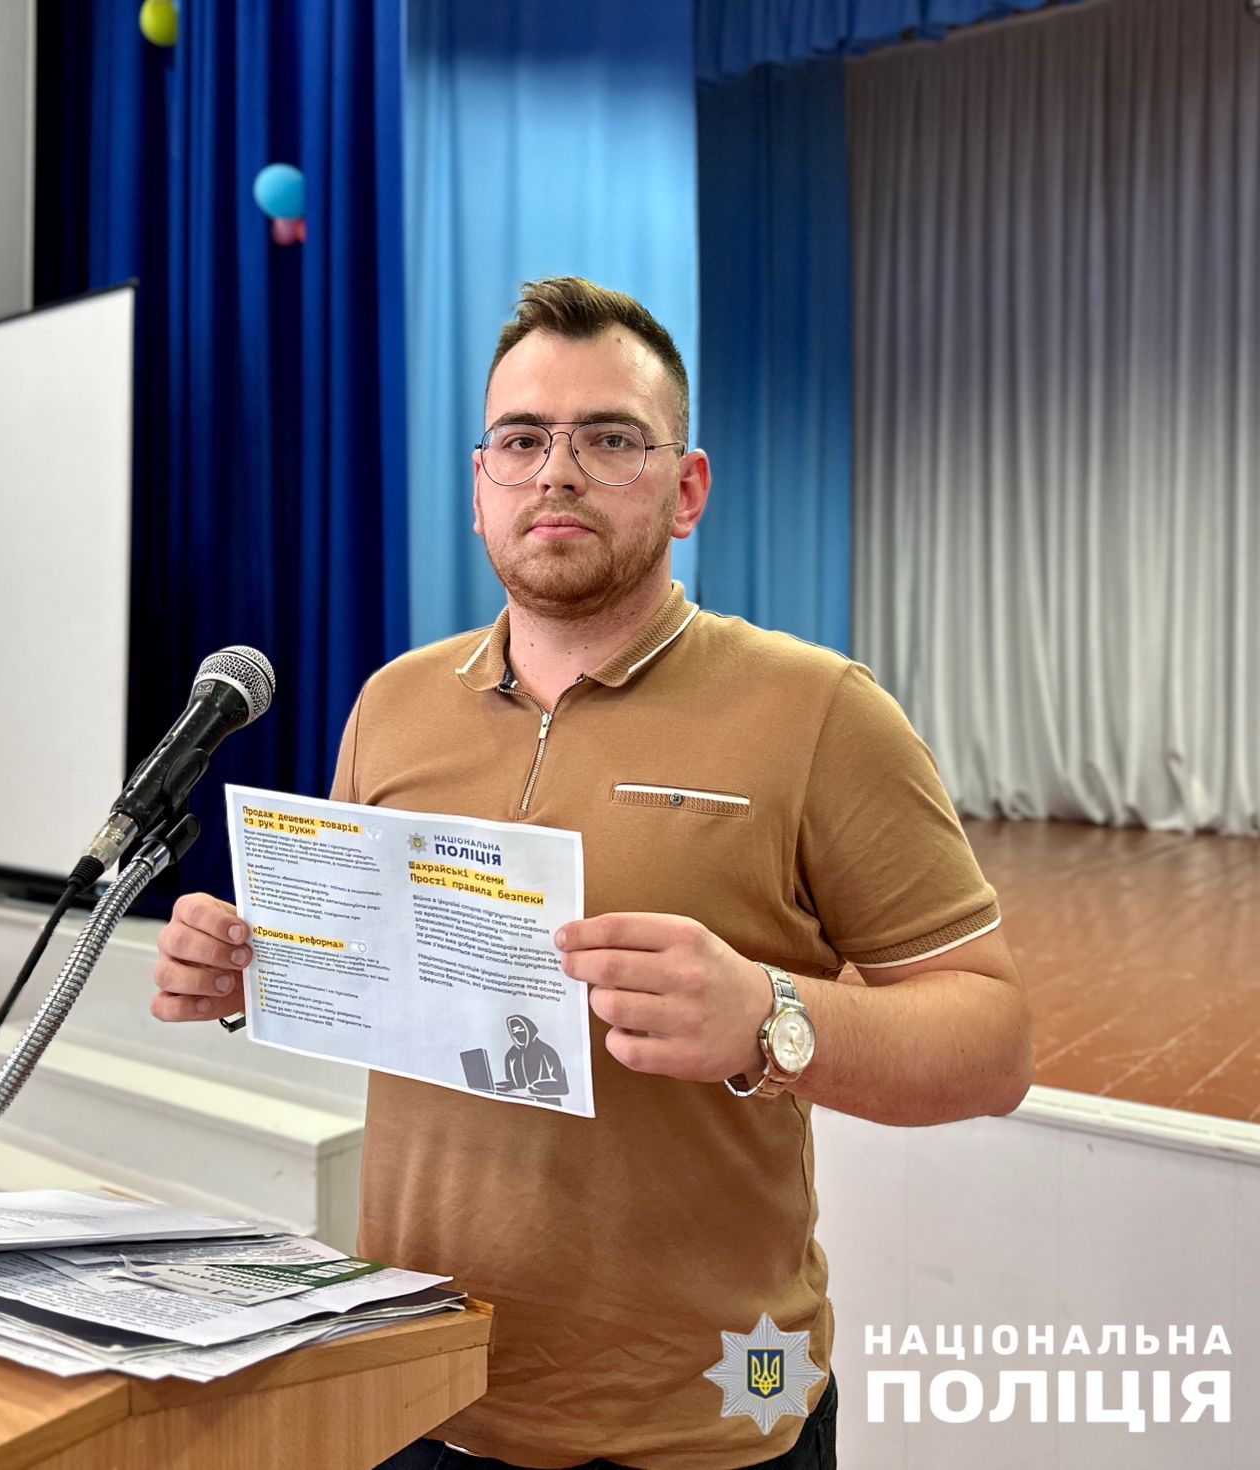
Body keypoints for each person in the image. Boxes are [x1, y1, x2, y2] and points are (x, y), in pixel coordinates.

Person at [151, 278, 1033, 1470]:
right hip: (424, 1389)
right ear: (479, 490)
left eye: (609, 439)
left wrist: (766, 1015)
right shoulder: (393, 704)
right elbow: (392, 983)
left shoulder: (820, 711)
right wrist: (254, 970)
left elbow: (991, 1043)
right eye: (521, 440)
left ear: (686, 490)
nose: (555, 473)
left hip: (712, 1415)